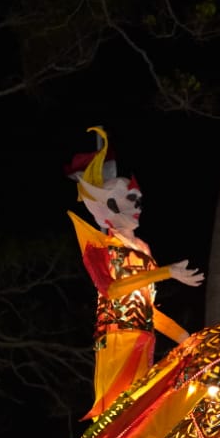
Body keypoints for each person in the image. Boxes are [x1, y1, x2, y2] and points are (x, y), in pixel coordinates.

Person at [66, 126, 203, 421]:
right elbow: (112, 290)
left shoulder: (144, 251)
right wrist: (165, 273)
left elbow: (148, 311)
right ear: (108, 205)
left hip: (144, 339)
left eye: (138, 199)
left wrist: (186, 338)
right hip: (117, 340)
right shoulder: (102, 246)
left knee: (139, 415)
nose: (137, 206)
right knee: (116, 416)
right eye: (130, 199)